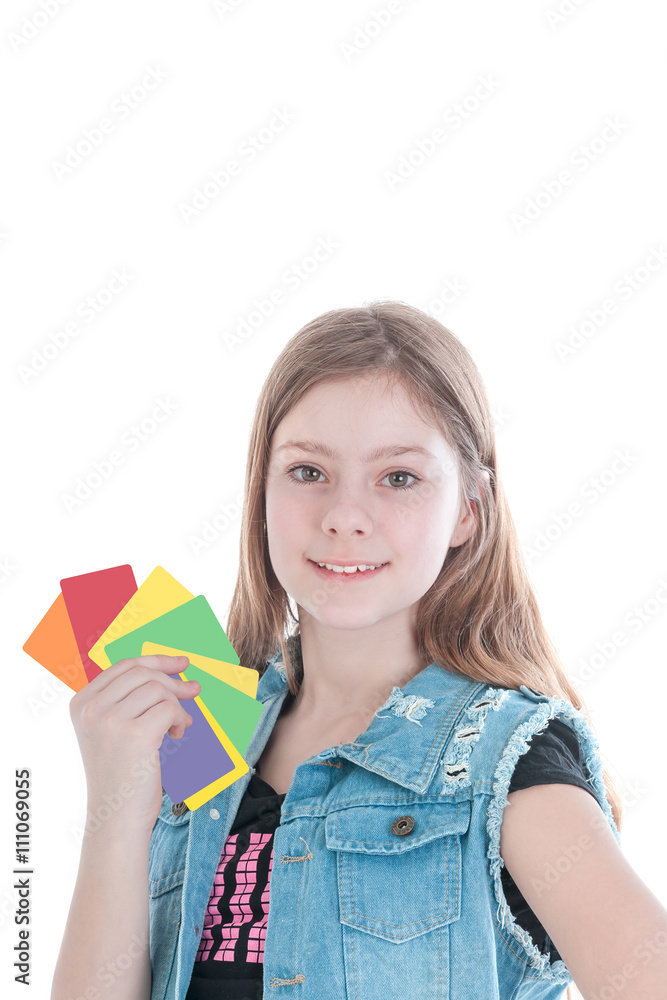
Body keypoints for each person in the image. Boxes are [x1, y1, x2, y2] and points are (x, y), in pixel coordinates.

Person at [52, 302, 667, 1000]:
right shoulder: (198, 723)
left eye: (398, 477)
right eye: (308, 472)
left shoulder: (500, 761)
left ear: (468, 508)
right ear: (260, 493)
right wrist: (115, 806)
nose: (344, 515)